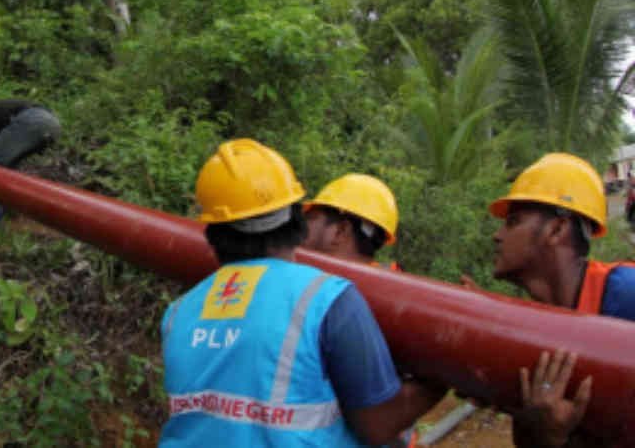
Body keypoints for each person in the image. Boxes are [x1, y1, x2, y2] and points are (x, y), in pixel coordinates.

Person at [160, 139, 446, 446]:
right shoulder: (326, 299)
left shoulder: (178, 313)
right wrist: (443, 378)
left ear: (212, 231)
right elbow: (377, 426)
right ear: (295, 222)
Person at [483, 152, 635, 447]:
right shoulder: (534, 331)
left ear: (556, 229)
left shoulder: (625, 296)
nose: (497, 235)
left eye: (513, 222)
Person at [302, 174, 415, 447]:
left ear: (340, 231)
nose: (300, 229)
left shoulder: (324, 295)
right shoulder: (401, 295)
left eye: (311, 219)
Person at [303, 174, 400, 270]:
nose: (301, 224)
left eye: (310, 218)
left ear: (340, 231)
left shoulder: (307, 281)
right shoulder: (390, 284)